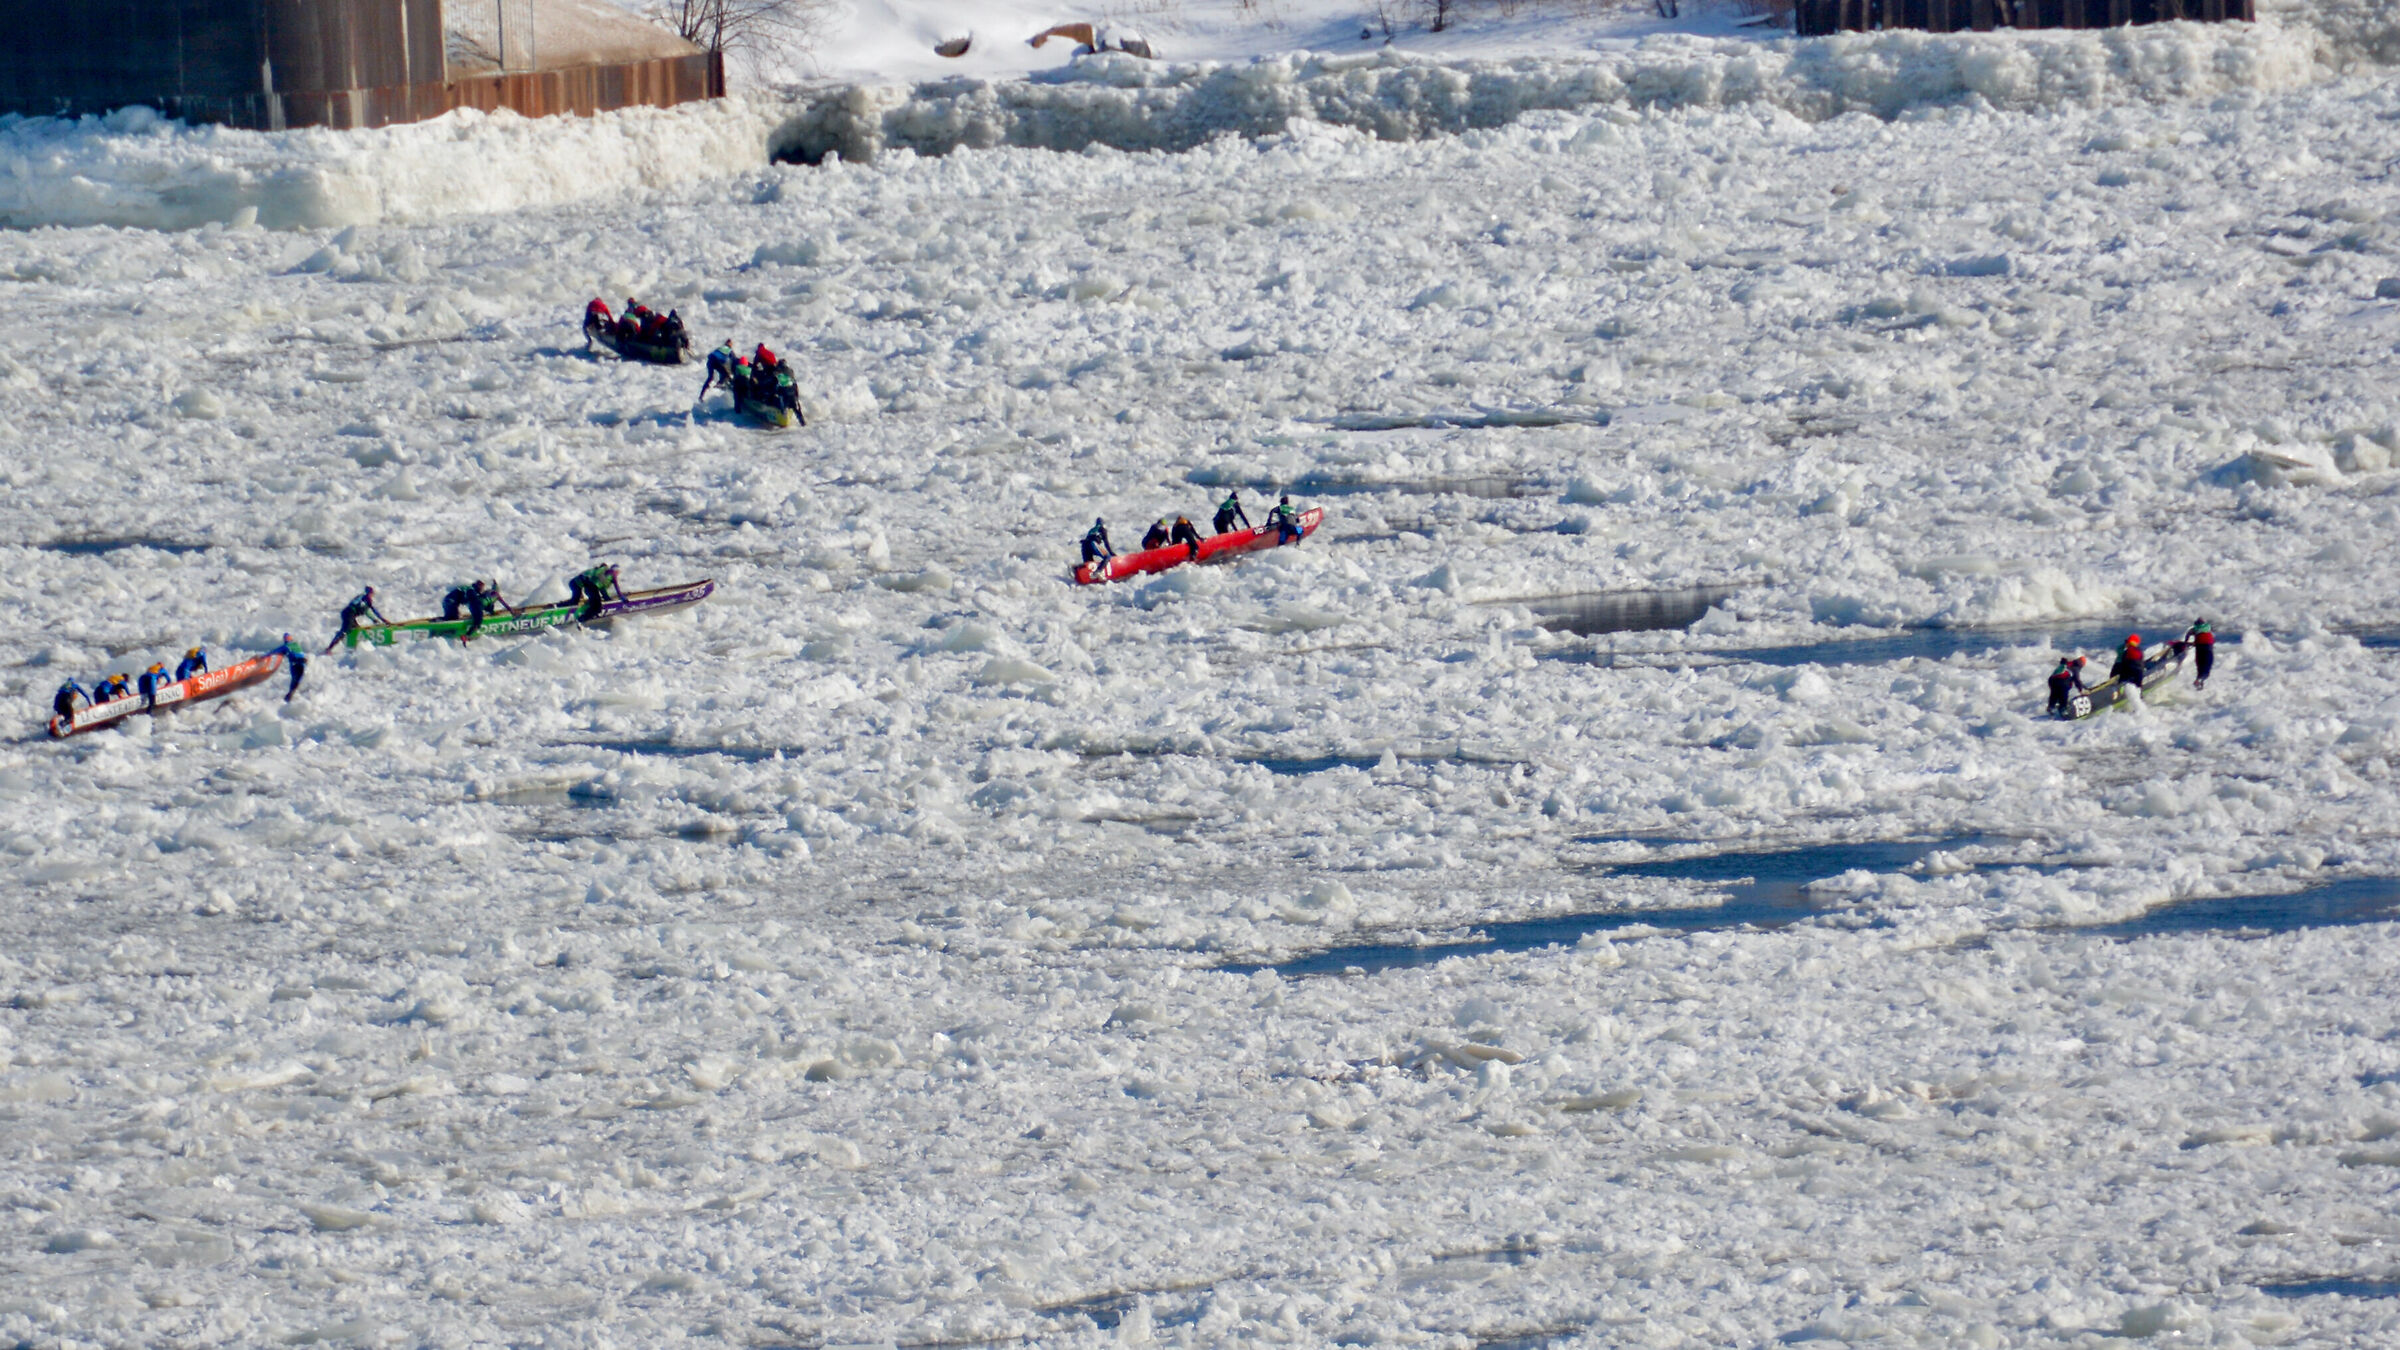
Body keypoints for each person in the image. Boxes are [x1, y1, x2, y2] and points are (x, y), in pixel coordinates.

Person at [323, 586, 388, 654]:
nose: (372, 596)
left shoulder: (364, 602)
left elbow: (368, 611)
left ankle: (354, 647)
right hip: (348, 614)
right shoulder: (363, 598)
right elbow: (371, 609)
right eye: (371, 594)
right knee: (346, 629)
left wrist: (376, 620)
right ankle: (329, 648)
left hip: (350, 615)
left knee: (357, 629)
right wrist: (383, 620)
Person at [270, 634, 308, 702]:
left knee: (294, 682)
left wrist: (262, 657)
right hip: (301, 664)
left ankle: (288, 698)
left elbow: (274, 652)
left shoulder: (285, 646)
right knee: (296, 682)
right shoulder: (296, 644)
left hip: (296, 664)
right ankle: (289, 698)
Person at [2184, 619, 2215, 690]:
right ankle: (2199, 681)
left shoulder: (2194, 629)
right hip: (2208, 648)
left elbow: (2188, 635)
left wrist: (2186, 642)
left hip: (2199, 648)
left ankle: (2199, 683)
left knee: (2200, 667)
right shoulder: (2208, 627)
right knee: (2207, 667)